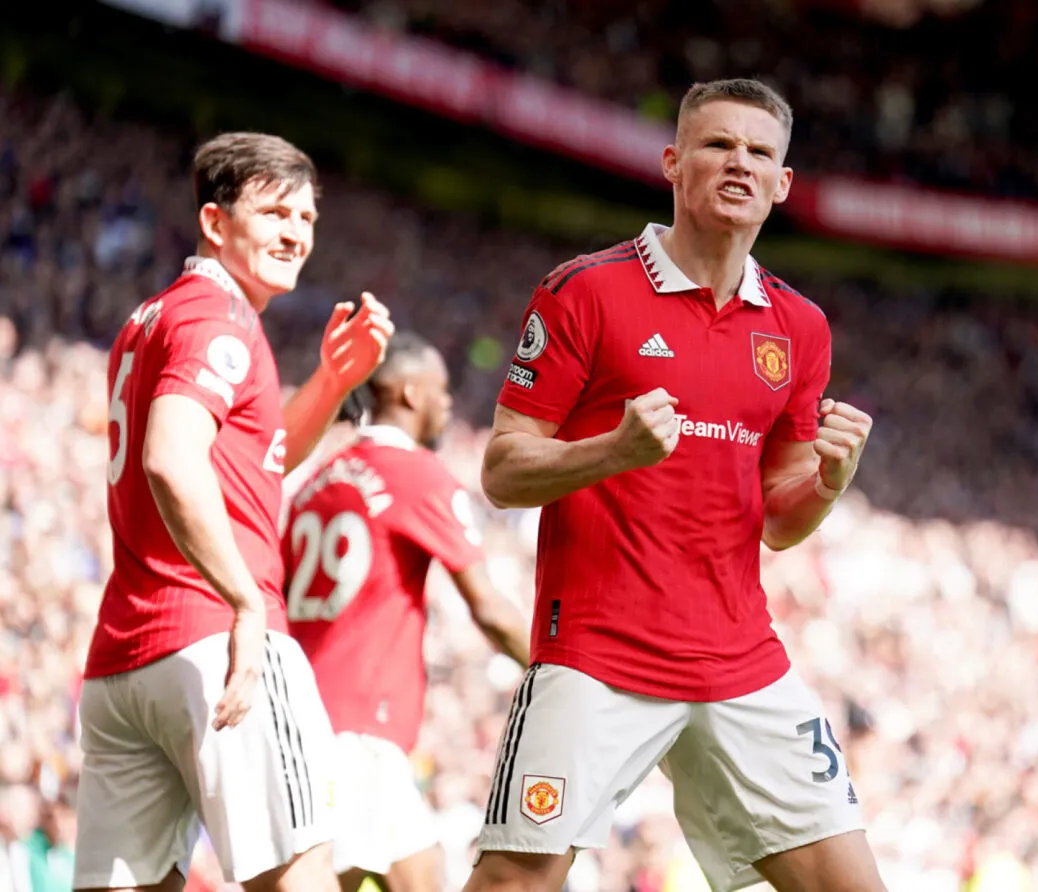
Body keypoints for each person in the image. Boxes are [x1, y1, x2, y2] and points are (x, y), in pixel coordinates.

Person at [469, 78, 882, 892]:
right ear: (672, 162)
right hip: (597, 654)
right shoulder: (584, 290)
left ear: (783, 184)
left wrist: (830, 482)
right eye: (718, 144)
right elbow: (502, 470)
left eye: (760, 152)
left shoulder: (800, 326)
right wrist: (612, 452)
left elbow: (779, 522)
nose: (740, 163)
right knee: (515, 881)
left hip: (741, 661)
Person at [76, 132, 394, 892]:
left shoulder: (152, 317)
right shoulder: (221, 321)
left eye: (308, 218)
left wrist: (327, 382)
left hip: (124, 660)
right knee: (302, 877)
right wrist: (244, 604)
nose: (296, 233)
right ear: (216, 224)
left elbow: (253, 461)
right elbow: (172, 458)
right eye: (276, 211)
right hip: (219, 643)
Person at [283, 331, 530, 892]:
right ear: (411, 393)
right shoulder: (416, 474)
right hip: (361, 726)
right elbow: (488, 607)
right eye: (442, 392)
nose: (449, 404)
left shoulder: (316, 480)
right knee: (420, 877)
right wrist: (553, 671)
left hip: (303, 718)